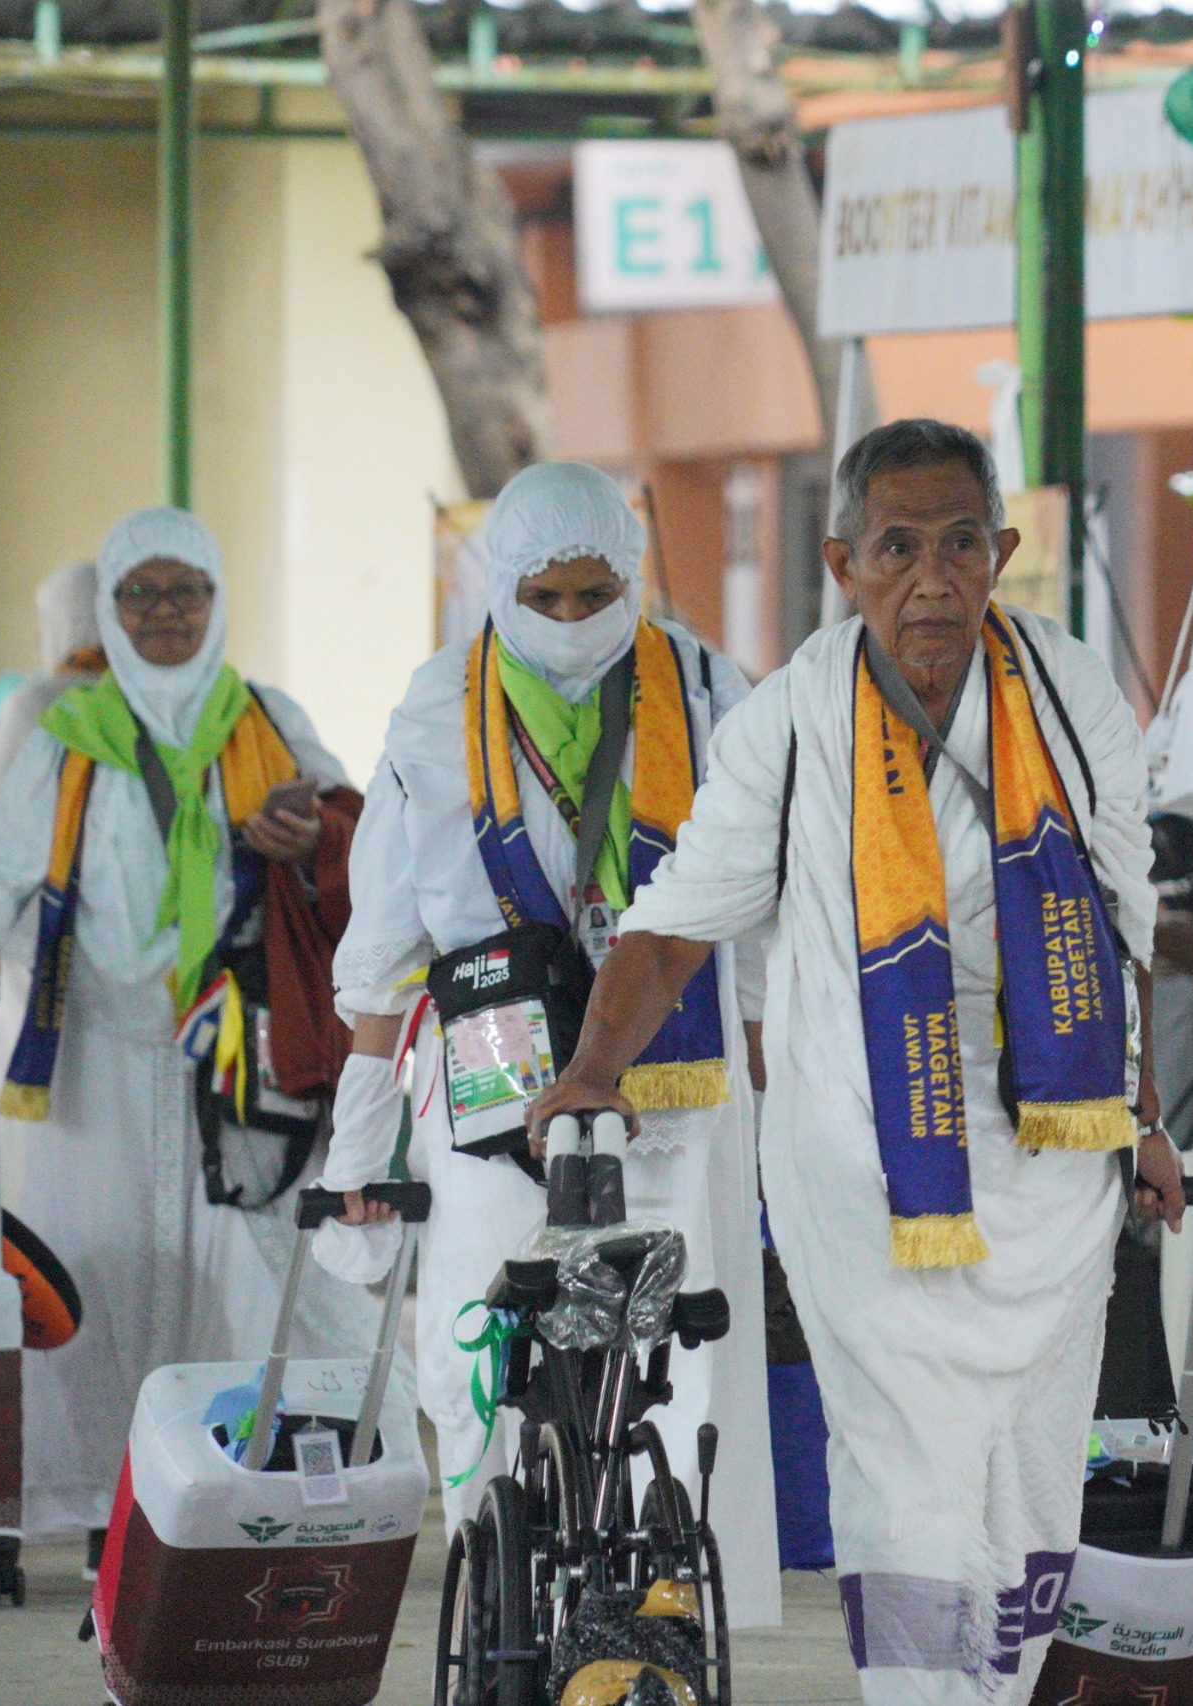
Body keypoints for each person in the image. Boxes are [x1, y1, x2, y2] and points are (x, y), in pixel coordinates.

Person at [523, 419, 1185, 1706]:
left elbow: (1123, 922)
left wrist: (1143, 1115)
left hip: (1055, 1167)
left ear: (1000, 552)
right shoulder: (789, 720)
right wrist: (593, 1066)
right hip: (860, 1162)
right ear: (843, 564)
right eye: (898, 548)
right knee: (907, 1473)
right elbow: (672, 926)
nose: (931, 579)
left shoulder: (1067, 692)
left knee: (1031, 1478)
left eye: (959, 545)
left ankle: (993, 1690)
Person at [314, 461, 781, 1620]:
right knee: (484, 1320)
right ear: (499, 587)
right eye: (545, 598)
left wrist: (778, 1107)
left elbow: (762, 919)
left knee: (673, 1332)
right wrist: (359, 1142)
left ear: (631, 578)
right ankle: (502, 1583)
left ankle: (659, 1602)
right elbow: (387, 937)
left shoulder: (710, 691)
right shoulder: (438, 706)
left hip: (670, 1066)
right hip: (494, 1060)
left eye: (595, 594)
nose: (572, 621)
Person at [0, 507, 373, 1570]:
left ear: (218, 601)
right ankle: (108, 1495)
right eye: (140, 593)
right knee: (99, 1279)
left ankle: (229, 1490)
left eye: (187, 590)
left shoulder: (267, 718)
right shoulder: (68, 732)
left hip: (233, 1053)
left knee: (239, 1277)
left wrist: (307, 835)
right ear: (109, 608)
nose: (165, 612)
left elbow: (356, 840)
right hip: (93, 1052)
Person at [0, 558, 105, 1191]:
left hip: (33, 953)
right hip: (122, 964)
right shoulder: (148, 707)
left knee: (23, 1144)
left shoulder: (38, 702)